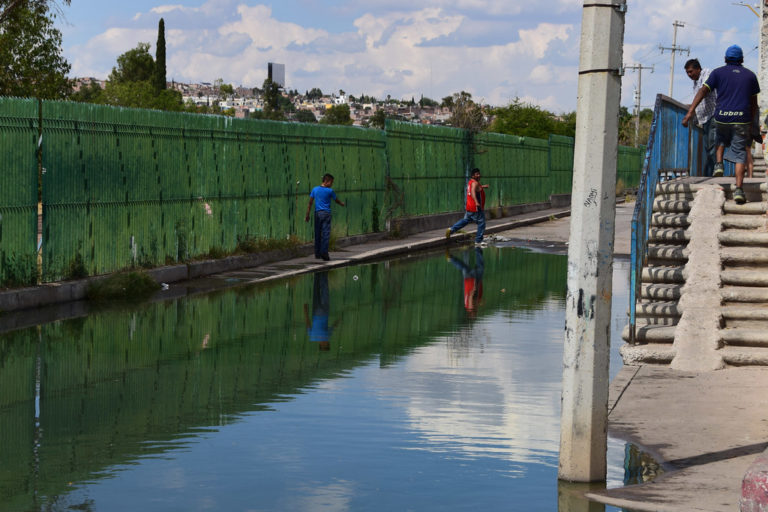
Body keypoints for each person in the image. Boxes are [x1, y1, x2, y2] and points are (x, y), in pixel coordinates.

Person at [682, 45, 760, 205]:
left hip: (722, 117)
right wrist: (751, 123)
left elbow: (703, 91)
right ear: (742, 59)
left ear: (725, 59)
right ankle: (739, 189)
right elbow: (754, 104)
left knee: (720, 140)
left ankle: (719, 164)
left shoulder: (717, 73)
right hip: (742, 119)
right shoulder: (751, 76)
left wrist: (690, 112)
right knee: (740, 155)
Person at [684, 58, 717, 176]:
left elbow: (704, 91)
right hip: (705, 118)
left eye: (691, 71)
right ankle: (710, 174)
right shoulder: (696, 81)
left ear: (698, 69)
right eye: (687, 72)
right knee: (709, 148)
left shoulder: (707, 73)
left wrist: (690, 112)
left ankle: (715, 173)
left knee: (712, 147)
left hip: (713, 115)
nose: (689, 75)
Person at [305, 173, 345, 261]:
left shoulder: (314, 189)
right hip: (326, 214)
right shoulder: (330, 191)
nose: (331, 184)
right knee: (325, 234)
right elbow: (336, 200)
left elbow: (310, 203)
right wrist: (341, 203)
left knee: (317, 233)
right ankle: (324, 253)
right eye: (331, 182)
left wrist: (307, 215)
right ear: (327, 181)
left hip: (317, 214)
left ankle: (317, 253)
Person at [445, 168, 490, 245]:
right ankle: (478, 241)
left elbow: (475, 188)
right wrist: (476, 202)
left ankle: (451, 229)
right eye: (477, 174)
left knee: (465, 221)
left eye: (479, 173)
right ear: (473, 175)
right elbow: (473, 191)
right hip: (476, 208)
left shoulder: (471, 182)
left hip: (469, 207)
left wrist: (483, 186)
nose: (479, 175)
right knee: (481, 223)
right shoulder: (475, 183)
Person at [447, 247, 484, 316]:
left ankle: (452, 259)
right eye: (475, 312)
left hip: (470, 280)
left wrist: (474, 294)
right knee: (478, 266)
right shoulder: (474, 303)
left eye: (473, 312)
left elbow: (470, 295)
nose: (475, 310)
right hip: (476, 279)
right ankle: (478, 249)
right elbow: (479, 292)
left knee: (464, 268)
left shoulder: (468, 305)